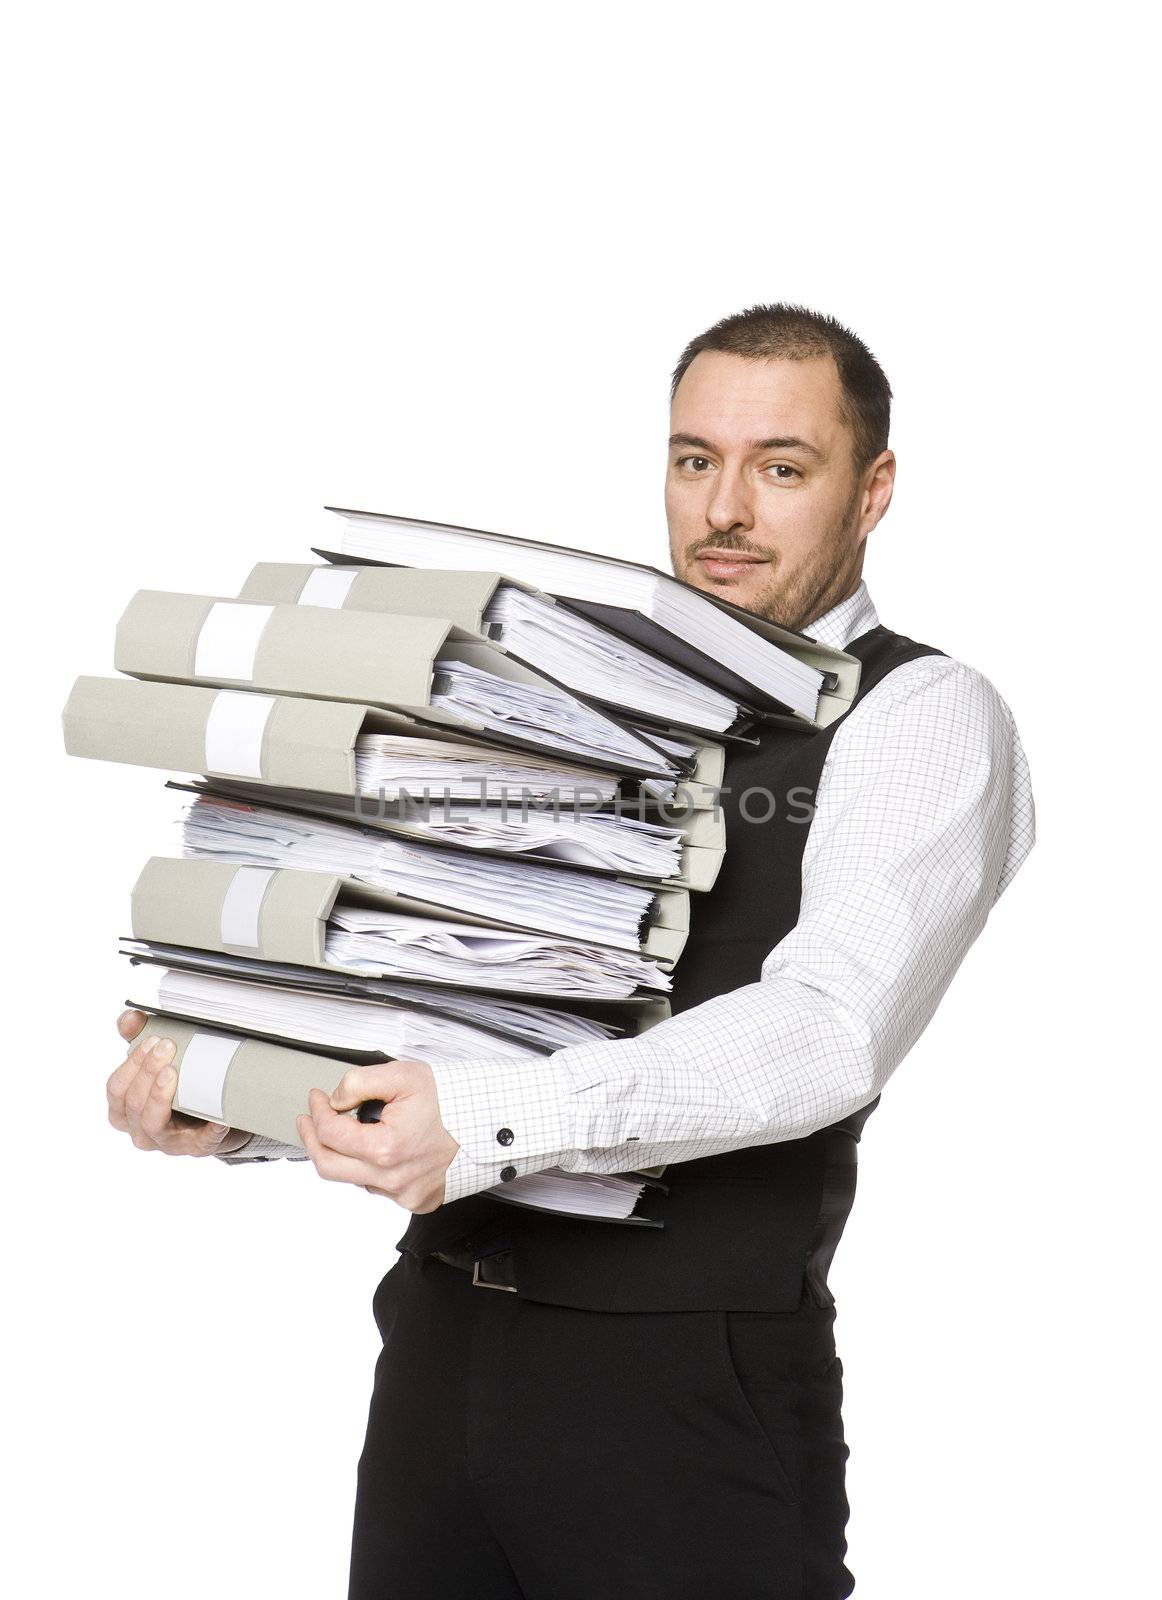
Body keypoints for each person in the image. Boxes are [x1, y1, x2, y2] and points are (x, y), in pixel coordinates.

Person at [107, 303, 1035, 1599]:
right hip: (440, 1340)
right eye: (691, 459)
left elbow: (826, 1028)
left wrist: (483, 1115)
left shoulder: (922, 712)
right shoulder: (577, 683)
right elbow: (443, 982)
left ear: (871, 488)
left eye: (780, 467)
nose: (723, 507)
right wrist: (242, 1099)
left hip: (679, 1389)